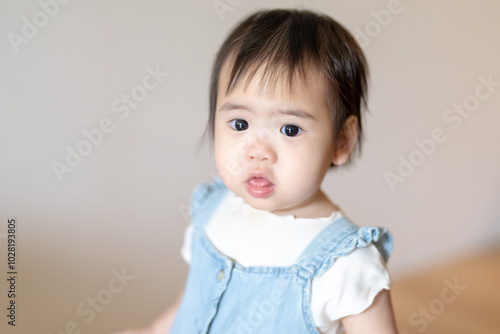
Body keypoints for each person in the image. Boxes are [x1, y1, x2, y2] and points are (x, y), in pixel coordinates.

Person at [116, 8, 398, 334]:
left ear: (341, 141)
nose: (258, 152)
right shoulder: (213, 212)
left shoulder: (345, 264)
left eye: (290, 130)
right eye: (240, 124)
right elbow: (192, 306)